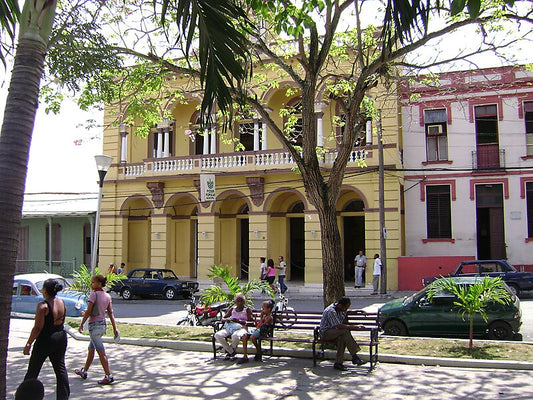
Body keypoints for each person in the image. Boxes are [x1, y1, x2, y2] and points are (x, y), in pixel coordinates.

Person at [22, 278, 69, 400]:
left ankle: (25, 396)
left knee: (33, 370)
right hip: (61, 336)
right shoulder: (62, 302)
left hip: (46, 339)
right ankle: (63, 397)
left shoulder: (43, 306)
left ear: (46, 290)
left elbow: (38, 328)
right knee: (60, 369)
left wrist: (29, 343)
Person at [75, 274, 119, 385]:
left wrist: (81, 324)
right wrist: (115, 328)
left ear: (99, 283)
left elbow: (89, 311)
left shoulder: (93, 295)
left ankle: (108, 375)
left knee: (101, 352)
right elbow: (110, 313)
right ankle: (84, 371)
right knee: (91, 349)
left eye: (93, 282)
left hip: (94, 326)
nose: (91, 284)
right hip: (102, 325)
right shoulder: (107, 296)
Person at [319, 297, 367, 371]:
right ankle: (354, 356)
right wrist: (356, 327)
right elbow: (339, 326)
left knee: (342, 338)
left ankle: (338, 363)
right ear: (340, 305)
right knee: (344, 331)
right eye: (346, 307)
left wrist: (358, 311)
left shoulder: (340, 308)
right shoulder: (331, 311)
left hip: (335, 333)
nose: (346, 309)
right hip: (325, 333)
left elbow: (348, 312)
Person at [214, 292, 254, 361]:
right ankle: (231, 351)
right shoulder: (232, 309)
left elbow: (251, 323)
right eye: (238, 301)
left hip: (242, 329)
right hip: (230, 328)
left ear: (244, 301)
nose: (240, 303)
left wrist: (239, 321)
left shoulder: (247, 310)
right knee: (218, 335)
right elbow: (223, 319)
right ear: (235, 302)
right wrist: (228, 319)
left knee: (235, 336)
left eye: (241, 301)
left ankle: (230, 352)